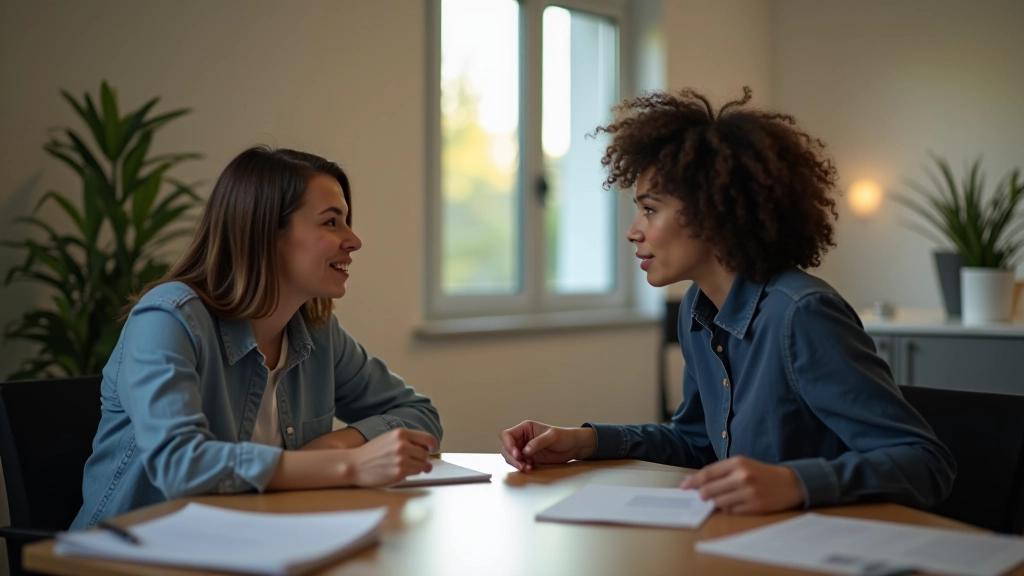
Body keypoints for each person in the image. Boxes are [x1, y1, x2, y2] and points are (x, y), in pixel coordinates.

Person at [499, 88, 955, 514]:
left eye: (650, 209)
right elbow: (699, 443)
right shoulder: (698, 312)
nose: (633, 230)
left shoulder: (801, 314)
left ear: (712, 211)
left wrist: (795, 482)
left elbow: (926, 463)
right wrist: (586, 441)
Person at [72, 146, 442, 529]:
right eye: (331, 223)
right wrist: (348, 464)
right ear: (265, 232)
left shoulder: (317, 330)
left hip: (250, 543)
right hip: (131, 558)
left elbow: (421, 417)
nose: (353, 240)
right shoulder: (167, 319)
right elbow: (179, 465)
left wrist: (333, 445)